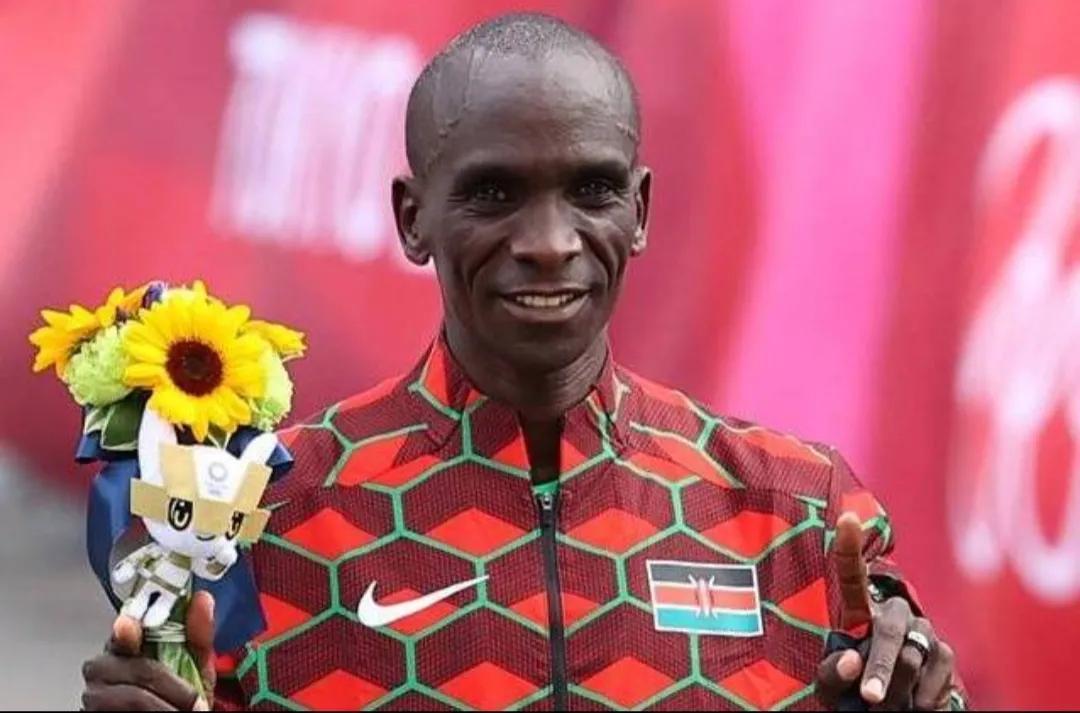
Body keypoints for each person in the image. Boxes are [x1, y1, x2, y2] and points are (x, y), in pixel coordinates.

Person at [81, 12, 964, 712]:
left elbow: (907, 669)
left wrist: (924, 695)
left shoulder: (797, 510)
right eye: (494, 192)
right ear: (413, 218)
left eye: (592, 189)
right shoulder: (267, 514)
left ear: (640, 211)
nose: (549, 242)